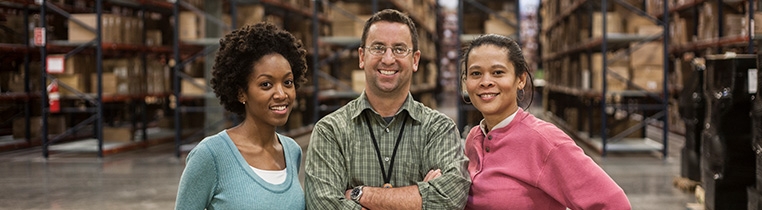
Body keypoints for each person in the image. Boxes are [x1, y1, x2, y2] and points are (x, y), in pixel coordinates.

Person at [304, 9, 470, 210]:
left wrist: (359, 194)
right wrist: (420, 198)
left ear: (415, 60)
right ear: (362, 56)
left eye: (399, 49)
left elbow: (450, 200)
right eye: (378, 48)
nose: (388, 59)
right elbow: (322, 205)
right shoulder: (330, 131)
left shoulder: (439, 129)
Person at [460, 34, 631, 209]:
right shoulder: (474, 138)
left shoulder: (545, 141)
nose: (486, 82)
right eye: (476, 73)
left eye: (498, 72)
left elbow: (613, 203)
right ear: (466, 82)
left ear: (520, 80)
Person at [174, 22, 308, 210]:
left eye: (287, 82)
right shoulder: (210, 155)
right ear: (241, 93)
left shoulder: (292, 151)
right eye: (266, 85)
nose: (281, 94)